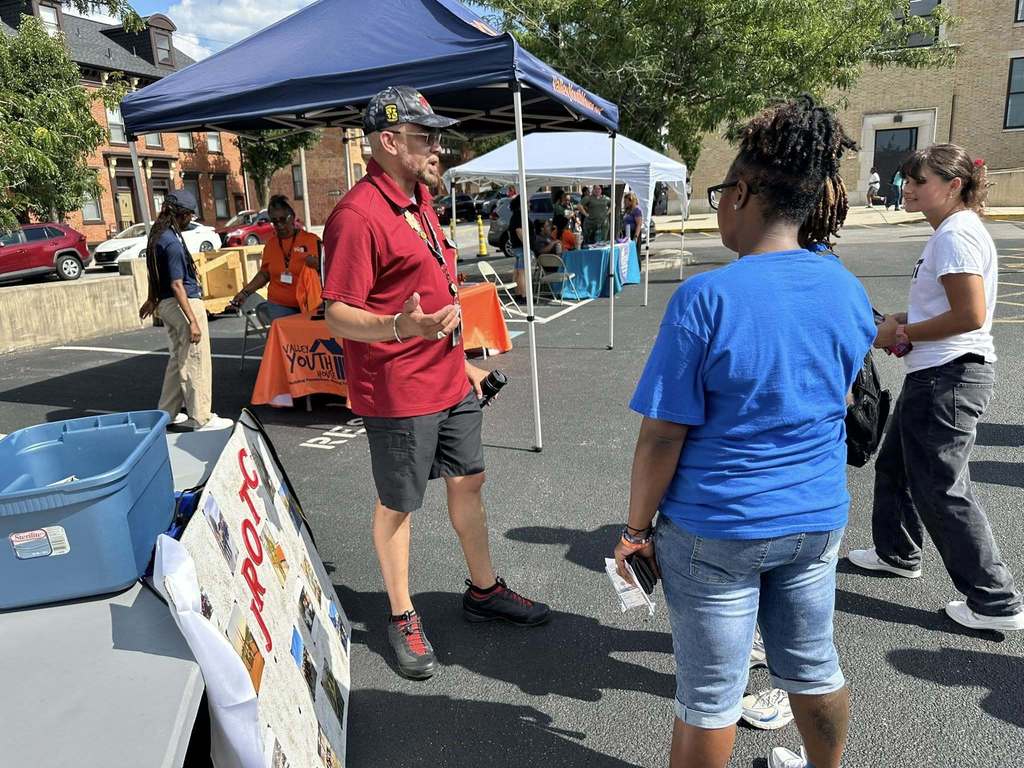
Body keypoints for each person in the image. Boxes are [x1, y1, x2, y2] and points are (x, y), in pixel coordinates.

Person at [614, 95, 873, 768]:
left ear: (747, 190)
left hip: (718, 525)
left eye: (722, 190)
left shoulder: (708, 297)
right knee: (815, 666)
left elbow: (662, 437)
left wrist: (637, 530)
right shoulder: (844, 287)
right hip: (816, 516)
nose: (719, 204)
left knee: (709, 694)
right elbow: (838, 394)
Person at [321, 85, 550, 681]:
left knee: (470, 481)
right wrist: (403, 325)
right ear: (389, 141)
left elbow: (436, 297)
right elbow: (336, 314)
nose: (438, 147)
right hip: (399, 392)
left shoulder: (420, 199)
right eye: (426, 137)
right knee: (399, 505)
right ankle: (401, 615)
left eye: (437, 136)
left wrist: (465, 360)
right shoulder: (356, 215)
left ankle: (483, 590)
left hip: (449, 381)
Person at [848, 144, 1024, 632]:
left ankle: (995, 600)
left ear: (953, 186)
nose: (907, 187)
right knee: (896, 466)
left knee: (942, 488)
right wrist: (907, 322)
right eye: (907, 179)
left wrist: (902, 333)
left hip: (950, 375)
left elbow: (969, 315)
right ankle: (898, 552)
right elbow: (951, 310)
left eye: (919, 180)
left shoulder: (955, 236)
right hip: (938, 371)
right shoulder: (952, 232)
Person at [139, 189, 232, 432]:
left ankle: (166, 413)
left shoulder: (157, 235)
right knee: (195, 360)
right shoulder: (171, 242)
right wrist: (193, 321)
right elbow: (177, 283)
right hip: (184, 303)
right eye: (189, 215)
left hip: (166, 304)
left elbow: (155, 273)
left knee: (177, 360)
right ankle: (201, 416)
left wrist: (152, 299)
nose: (190, 219)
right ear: (180, 214)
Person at [229, 195, 322, 321]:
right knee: (286, 339)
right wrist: (245, 293)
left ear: (292, 217)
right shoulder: (271, 244)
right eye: (275, 221)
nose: (279, 225)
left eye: (283, 219)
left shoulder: (311, 240)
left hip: (310, 303)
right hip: (279, 305)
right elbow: (264, 274)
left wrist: (319, 266)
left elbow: (329, 270)